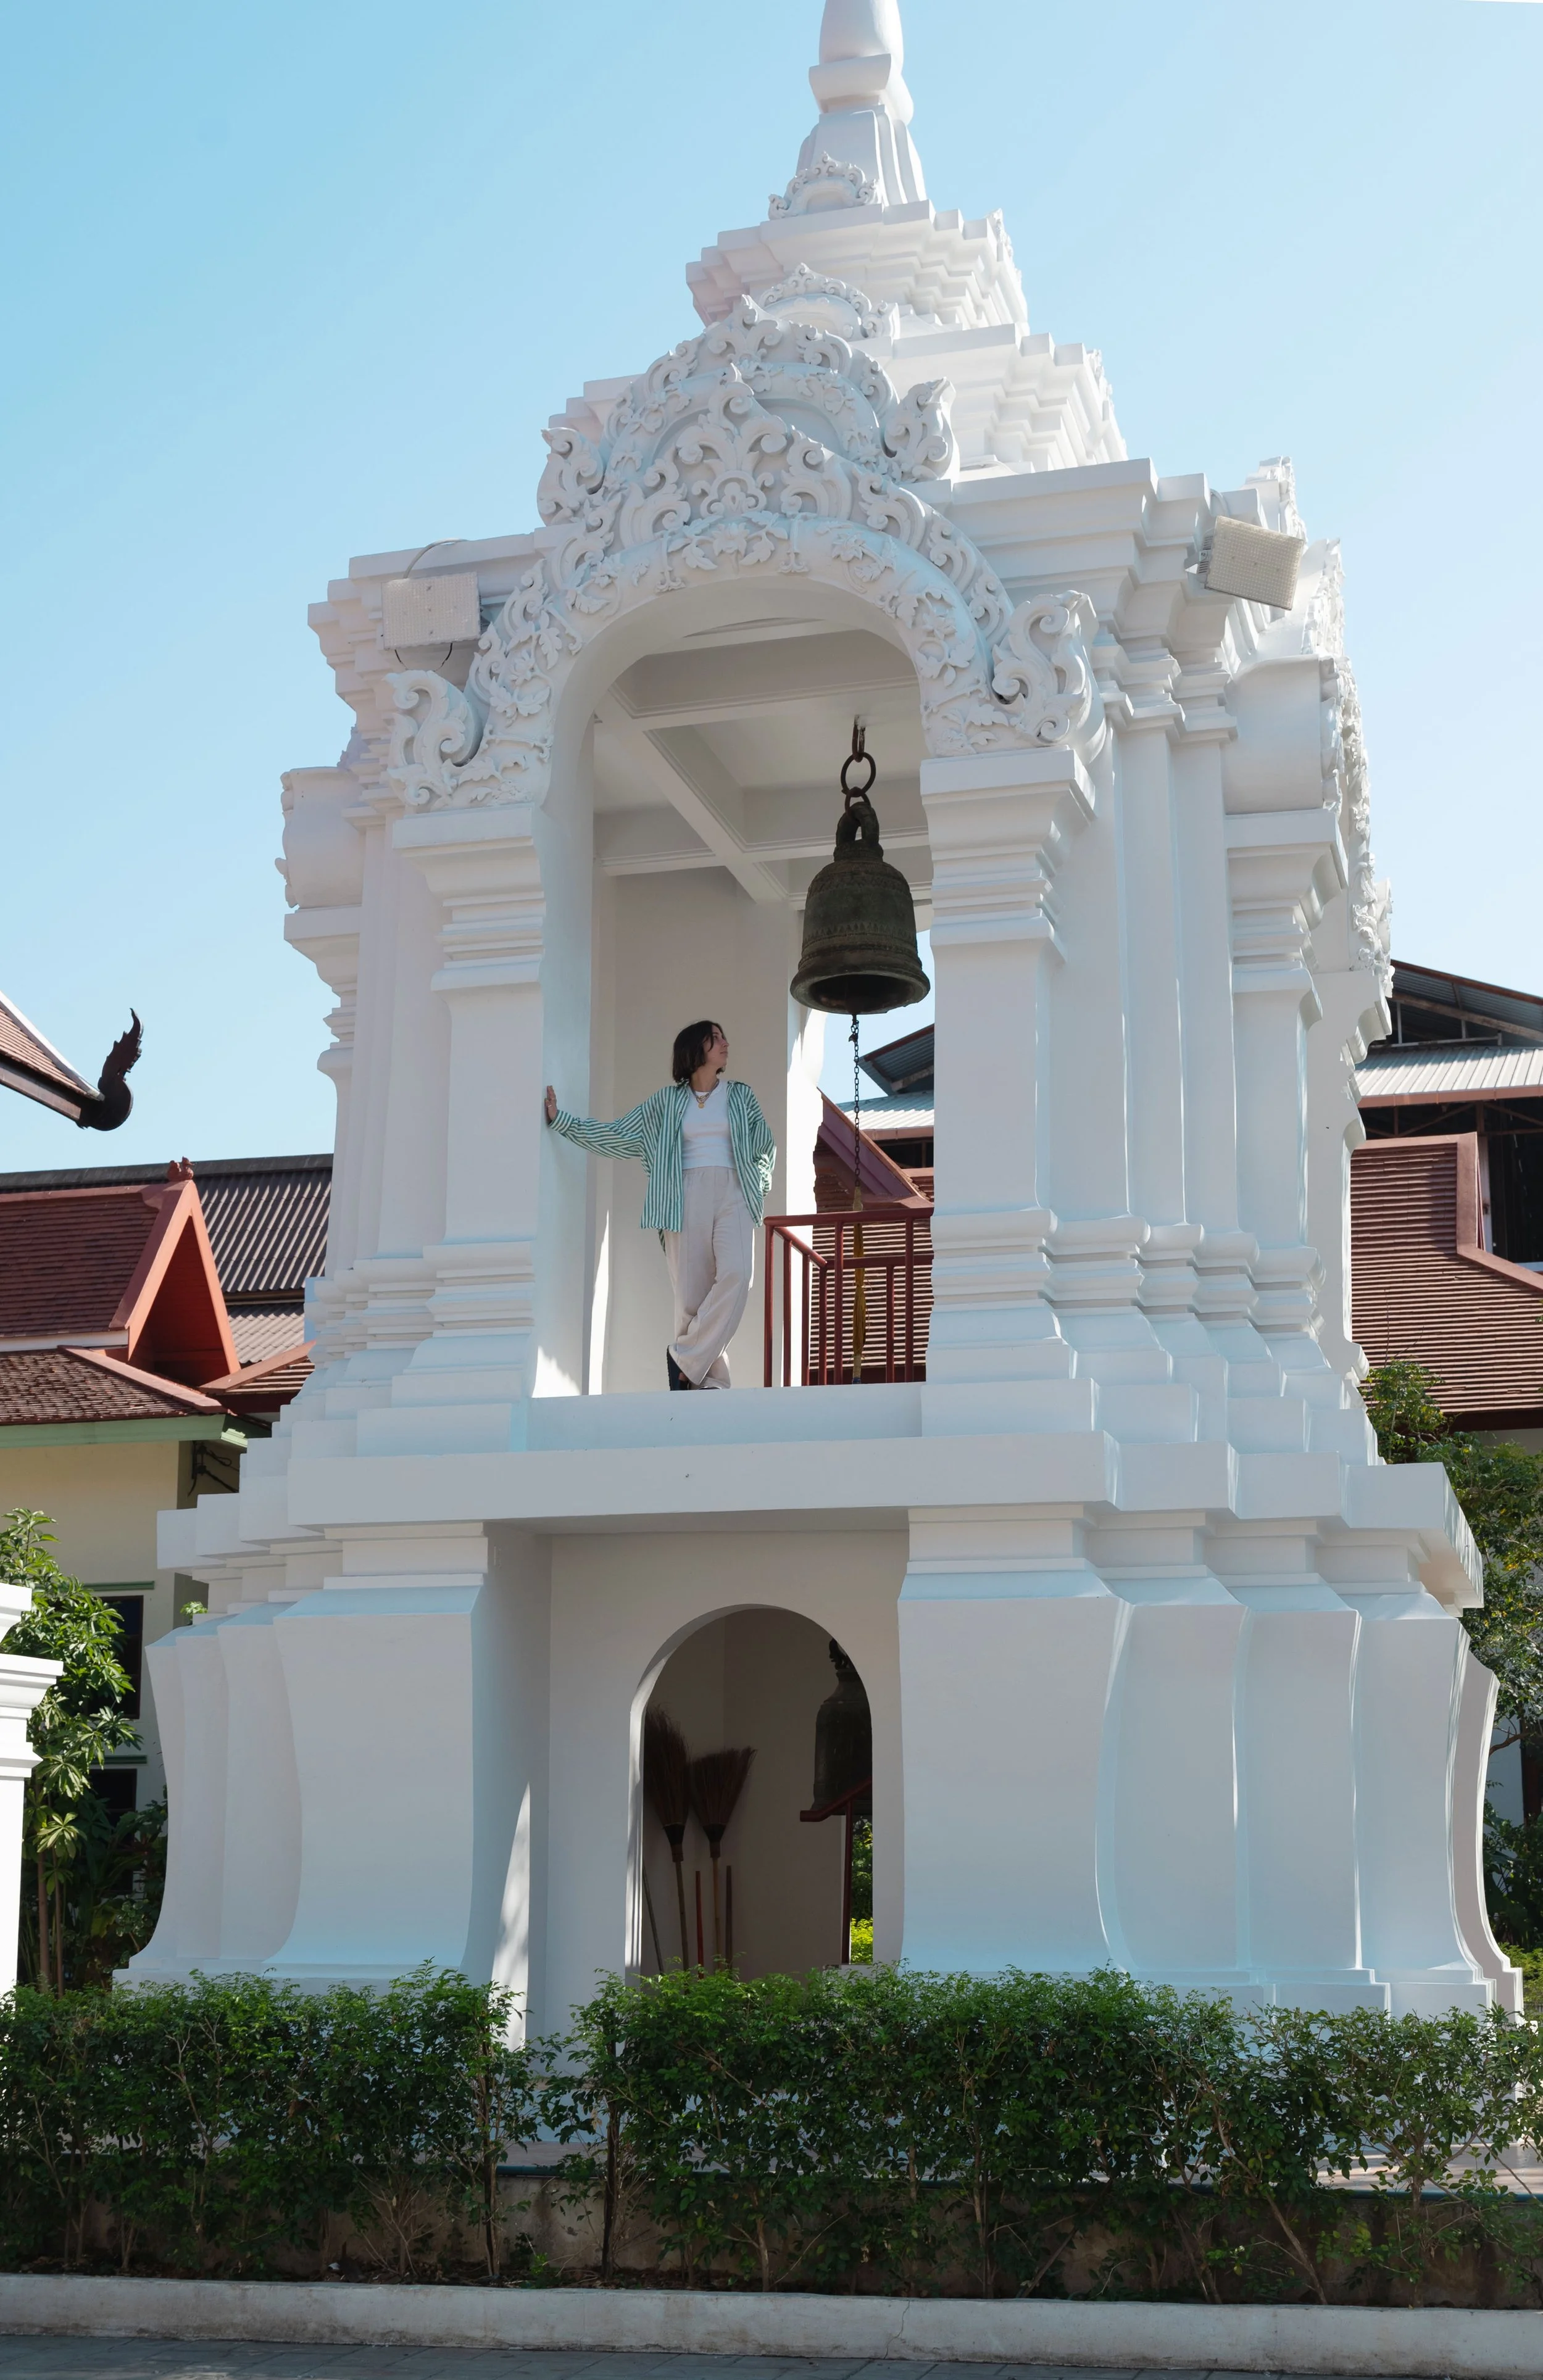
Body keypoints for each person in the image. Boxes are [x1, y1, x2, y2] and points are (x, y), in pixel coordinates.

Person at [544, 1022, 776, 1390]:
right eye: (715, 1038)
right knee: (692, 1299)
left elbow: (765, 1145)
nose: (725, 1043)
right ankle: (707, 1384)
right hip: (683, 1195)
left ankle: (683, 1358)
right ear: (695, 1050)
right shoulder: (666, 1102)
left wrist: (758, 1185)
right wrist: (563, 1122)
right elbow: (619, 1135)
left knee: (738, 1275)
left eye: (724, 1037)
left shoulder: (741, 1096)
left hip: (734, 1191)